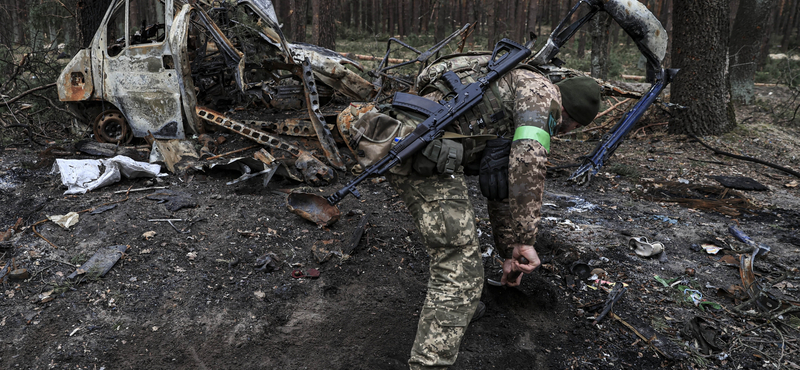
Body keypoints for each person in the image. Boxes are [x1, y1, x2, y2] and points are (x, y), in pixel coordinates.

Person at [342, 54, 601, 369]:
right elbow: (527, 163)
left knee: (460, 258)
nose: (563, 132)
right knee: (460, 269)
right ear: (572, 118)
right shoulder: (542, 98)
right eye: (569, 128)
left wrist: (510, 250)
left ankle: (458, 310)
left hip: (417, 145)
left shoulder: (515, 85)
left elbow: (502, 187)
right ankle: (429, 363)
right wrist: (526, 239)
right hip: (416, 153)